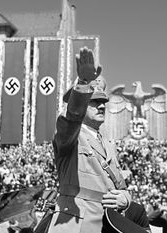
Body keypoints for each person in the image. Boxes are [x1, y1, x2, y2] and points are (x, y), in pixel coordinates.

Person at [47, 47, 131, 233]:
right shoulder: (70, 136)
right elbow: (71, 118)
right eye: (94, 101)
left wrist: (124, 199)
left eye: (103, 102)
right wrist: (83, 83)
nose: (102, 106)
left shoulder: (108, 143)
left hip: (107, 223)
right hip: (75, 224)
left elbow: (121, 186)